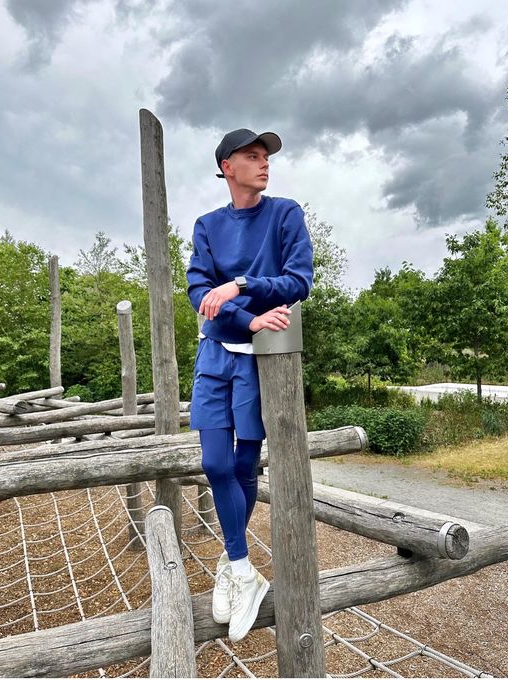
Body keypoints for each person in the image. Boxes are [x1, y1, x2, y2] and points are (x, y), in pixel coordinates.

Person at [186, 128, 313, 642]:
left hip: (263, 362)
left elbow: (299, 281)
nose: (264, 163)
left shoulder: (285, 214)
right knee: (214, 463)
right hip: (215, 354)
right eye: (253, 155)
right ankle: (242, 569)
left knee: (243, 465)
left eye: (267, 157)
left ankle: (231, 563)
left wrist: (239, 285)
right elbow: (198, 291)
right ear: (227, 166)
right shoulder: (208, 225)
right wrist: (249, 317)